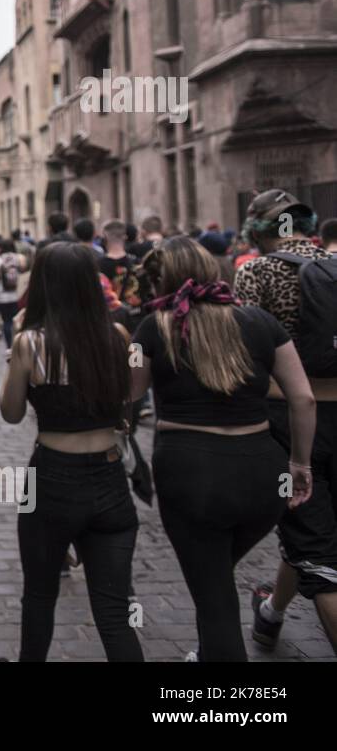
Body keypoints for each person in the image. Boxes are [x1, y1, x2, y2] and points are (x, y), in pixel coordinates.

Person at [134, 236, 315, 662]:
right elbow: (303, 398)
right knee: (212, 578)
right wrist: (300, 464)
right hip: (261, 474)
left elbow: (129, 391)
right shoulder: (259, 322)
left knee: (213, 595)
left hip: (191, 474)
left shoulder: (154, 326)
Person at [0, 242, 142, 661]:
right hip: (110, 479)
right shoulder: (116, 336)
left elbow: (9, 413)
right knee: (115, 612)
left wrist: (16, 366)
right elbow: (129, 398)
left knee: (40, 597)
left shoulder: (31, 342)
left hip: (51, 480)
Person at [234, 190, 337, 653]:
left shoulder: (254, 271)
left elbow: (239, 354)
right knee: (310, 534)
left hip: (291, 419)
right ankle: (271, 615)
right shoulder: (334, 264)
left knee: (314, 546)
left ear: (258, 229)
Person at [0, 237, 26, 348]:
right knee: (19, 320)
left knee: (7, 321)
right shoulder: (20, 258)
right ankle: (20, 343)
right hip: (18, 295)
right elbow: (24, 273)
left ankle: (10, 347)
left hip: (2, 296)